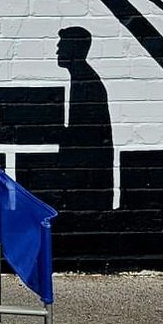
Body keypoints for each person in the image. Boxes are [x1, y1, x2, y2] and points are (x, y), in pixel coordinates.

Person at [55, 26, 116, 209]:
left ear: (74, 48)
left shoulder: (85, 82)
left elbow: (84, 134)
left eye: (61, 46)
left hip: (88, 179)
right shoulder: (82, 77)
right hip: (88, 176)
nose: (57, 51)